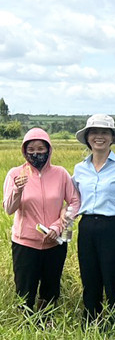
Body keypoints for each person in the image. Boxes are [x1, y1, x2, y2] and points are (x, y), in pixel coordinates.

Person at [72, 114, 115, 322]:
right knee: (89, 277)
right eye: (94, 132)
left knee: (113, 277)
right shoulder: (79, 169)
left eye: (104, 132)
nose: (99, 137)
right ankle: (90, 321)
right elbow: (72, 200)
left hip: (114, 227)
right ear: (87, 138)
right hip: (87, 227)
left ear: (112, 138)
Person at [3, 128, 80, 314]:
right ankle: (26, 324)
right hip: (25, 244)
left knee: (51, 287)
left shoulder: (61, 174)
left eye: (40, 149)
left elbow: (75, 201)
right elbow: (8, 209)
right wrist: (17, 190)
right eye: (31, 150)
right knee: (25, 288)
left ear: (49, 150)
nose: (36, 153)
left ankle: (46, 321)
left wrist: (59, 226)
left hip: (55, 243)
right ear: (24, 151)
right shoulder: (15, 174)